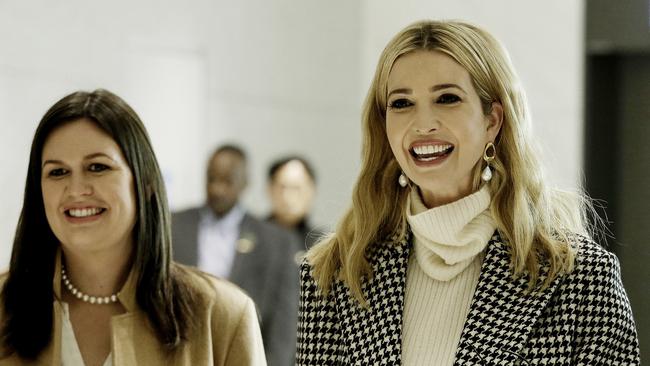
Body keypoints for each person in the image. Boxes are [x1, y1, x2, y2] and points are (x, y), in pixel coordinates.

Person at [297, 20, 640, 365]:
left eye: (447, 98)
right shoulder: (335, 272)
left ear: (492, 120)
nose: (423, 123)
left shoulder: (580, 277)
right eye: (401, 103)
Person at [0, 89, 265, 366]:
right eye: (57, 172)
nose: (76, 189)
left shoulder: (223, 316)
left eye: (98, 167)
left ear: (146, 182)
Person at [172, 145, 299, 366]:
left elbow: (283, 328)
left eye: (227, 181)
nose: (217, 189)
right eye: (212, 179)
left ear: (245, 182)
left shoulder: (276, 243)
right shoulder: (172, 225)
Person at [266, 156, 322, 260]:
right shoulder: (252, 236)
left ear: (312, 190)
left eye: (296, 188)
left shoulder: (322, 245)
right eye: (282, 187)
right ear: (269, 189)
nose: (288, 196)